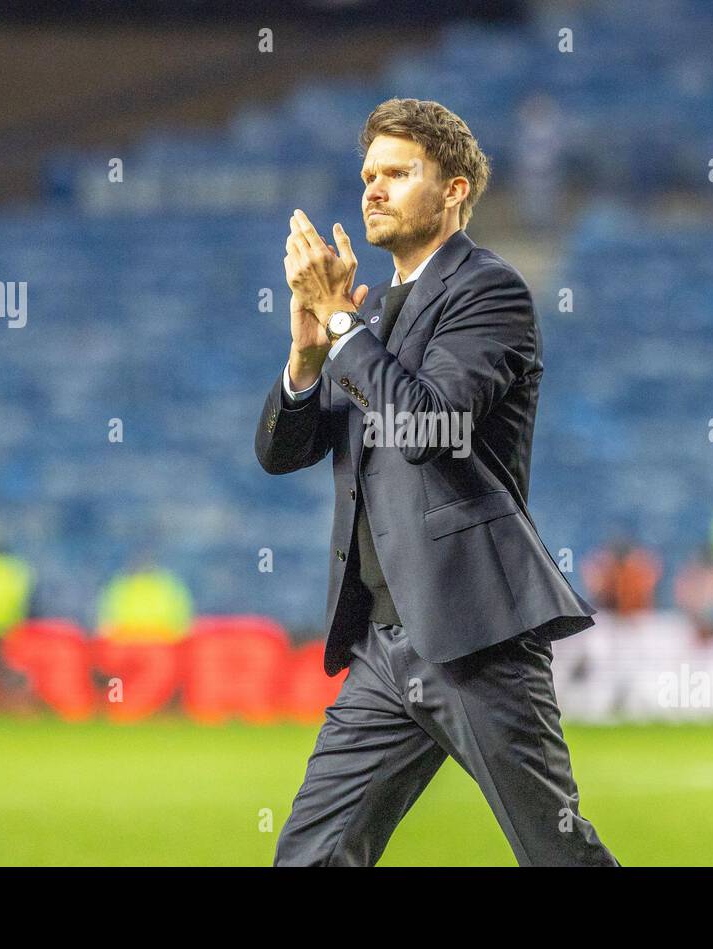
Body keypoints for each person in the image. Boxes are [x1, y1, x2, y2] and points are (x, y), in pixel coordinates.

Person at [255, 98, 616, 866]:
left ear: (453, 190)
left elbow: (429, 426)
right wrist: (307, 355)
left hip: (473, 633)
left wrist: (344, 329)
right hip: (382, 645)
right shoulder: (372, 316)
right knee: (308, 858)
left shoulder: (490, 291)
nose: (372, 190)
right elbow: (283, 453)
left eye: (397, 173)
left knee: (558, 856)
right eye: (367, 176)